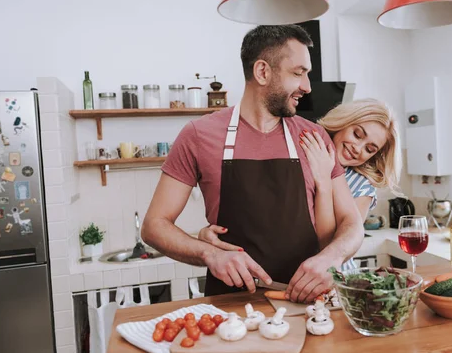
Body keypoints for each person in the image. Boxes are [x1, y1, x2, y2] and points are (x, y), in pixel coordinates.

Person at [142, 25, 363, 303]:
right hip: (229, 306)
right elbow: (154, 225)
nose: (307, 86)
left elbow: (352, 223)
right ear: (262, 72)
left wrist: (331, 258)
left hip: (308, 303)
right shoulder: (198, 135)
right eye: (298, 73)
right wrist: (209, 253)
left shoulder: (314, 138)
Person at [299, 99, 402, 270]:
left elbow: (328, 244)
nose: (358, 148)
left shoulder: (362, 187)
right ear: (343, 122)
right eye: (357, 134)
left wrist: (325, 179)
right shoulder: (308, 150)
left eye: (369, 149)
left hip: (333, 278)